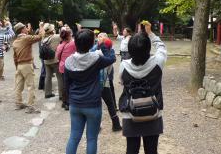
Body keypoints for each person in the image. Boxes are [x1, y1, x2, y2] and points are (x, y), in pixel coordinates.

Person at [65, 29, 116, 154]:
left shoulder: (68, 61)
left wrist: (70, 99)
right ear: (91, 43)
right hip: (92, 104)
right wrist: (103, 45)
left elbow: (67, 85)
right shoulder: (96, 59)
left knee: (74, 136)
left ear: (75, 42)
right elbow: (112, 58)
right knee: (92, 138)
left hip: (75, 104)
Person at [119, 22, 167, 154]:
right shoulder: (158, 62)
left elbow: (122, 82)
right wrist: (150, 33)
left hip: (131, 113)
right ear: (148, 48)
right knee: (152, 151)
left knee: (131, 150)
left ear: (130, 49)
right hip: (153, 112)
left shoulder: (123, 65)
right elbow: (162, 47)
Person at [91, 35, 122, 132]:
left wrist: (98, 43)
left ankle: (96, 126)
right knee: (110, 105)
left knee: (96, 105)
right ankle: (116, 124)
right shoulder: (109, 58)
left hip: (94, 84)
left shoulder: (94, 53)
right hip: (105, 83)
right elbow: (109, 71)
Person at [12, 22, 43, 114]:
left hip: (19, 66)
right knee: (31, 86)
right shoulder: (26, 38)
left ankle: (19, 103)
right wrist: (41, 26)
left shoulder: (15, 42)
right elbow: (40, 36)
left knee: (18, 86)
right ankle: (30, 106)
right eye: (25, 28)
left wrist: (17, 67)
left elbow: (15, 57)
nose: (27, 29)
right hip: (27, 64)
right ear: (22, 29)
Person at [56, 28, 76, 110]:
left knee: (65, 84)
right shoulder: (72, 44)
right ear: (69, 35)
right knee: (71, 85)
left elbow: (57, 57)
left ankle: (64, 102)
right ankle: (69, 102)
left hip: (62, 67)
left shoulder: (60, 45)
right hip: (70, 66)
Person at [42, 23, 63, 99]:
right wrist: (61, 26)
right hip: (55, 60)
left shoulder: (44, 38)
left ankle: (47, 93)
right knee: (59, 77)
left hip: (46, 60)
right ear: (52, 30)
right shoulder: (56, 37)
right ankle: (61, 95)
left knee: (48, 76)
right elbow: (64, 35)